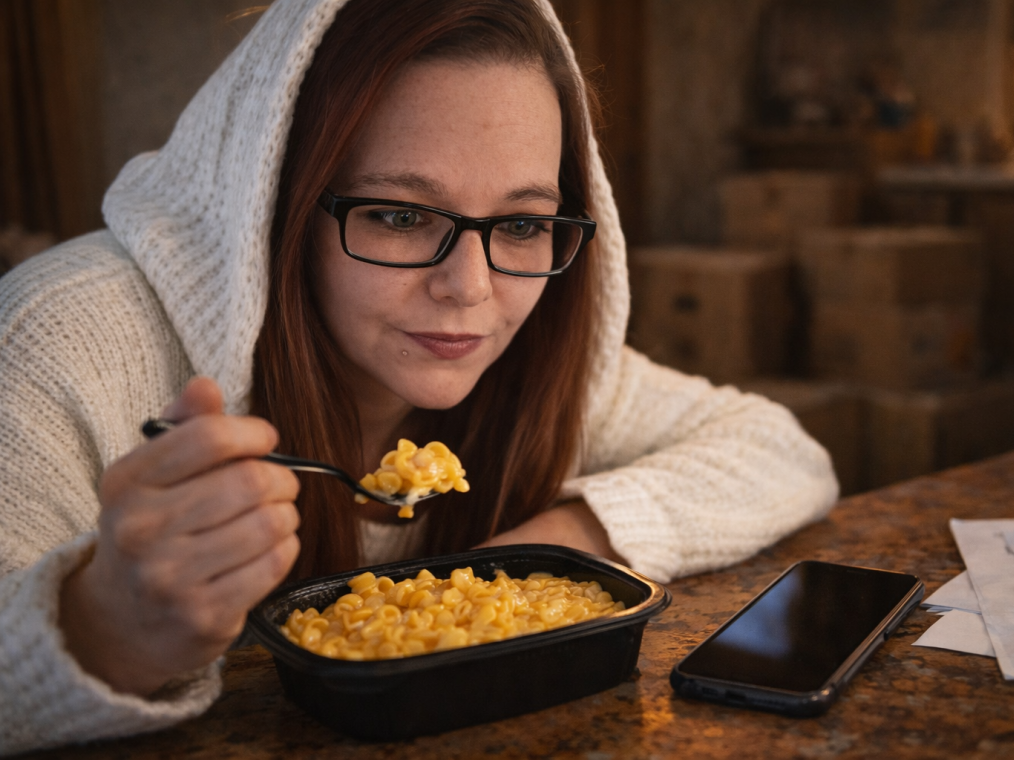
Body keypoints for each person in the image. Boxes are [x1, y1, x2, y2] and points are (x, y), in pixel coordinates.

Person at [0, 0, 837, 753]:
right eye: (400, 215)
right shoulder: (61, 337)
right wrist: (103, 624)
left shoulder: (548, 369)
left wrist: (546, 554)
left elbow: (781, 450)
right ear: (273, 203)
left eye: (520, 224)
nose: (470, 291)